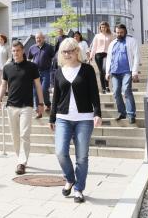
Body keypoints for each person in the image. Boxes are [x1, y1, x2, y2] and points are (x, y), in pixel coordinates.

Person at [49, 38, 102, 203]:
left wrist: (97, 113)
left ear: (77, 51)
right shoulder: (58, 72)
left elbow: (94, 92)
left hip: (84, 119)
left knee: (82, 157)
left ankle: (79, 189)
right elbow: (56, 97)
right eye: (64, 51)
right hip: (63, 118)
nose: (67, 54)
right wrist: (52, 117)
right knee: (60, 152)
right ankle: (70, 178)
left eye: (70, 50)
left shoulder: (87, 70)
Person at [0, 41, 44, 175]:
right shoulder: (7, 67)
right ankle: (19, 158)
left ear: (23, 51)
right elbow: (3, 85)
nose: (15, 53)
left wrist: (41, 103)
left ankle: (22, 162)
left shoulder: (31, 66)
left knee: (24, 134)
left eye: (18, 50)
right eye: (13, 51)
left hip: (27, 106)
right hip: (11, 106)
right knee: (15, 136)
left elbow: (38, 86)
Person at [105, 24, 140, 124]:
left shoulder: (132, 41)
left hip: (127, 71)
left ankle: (131, 114)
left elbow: (136, 56)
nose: (119, 34)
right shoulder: (112, 44)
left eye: (121, 32)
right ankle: (122, 113)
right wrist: (107, 72)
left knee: (126, 91)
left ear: (125, 32)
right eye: (117, 32)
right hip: (114, 72)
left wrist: (135, 71)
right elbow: (109, 59)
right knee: (116, 92)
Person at [28, 32, 55, 116]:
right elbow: (29, 59)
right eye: (36, 38)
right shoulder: (32, 48)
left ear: (43, 38)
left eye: (40, 38)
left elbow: (54, 58)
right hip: (35, 73)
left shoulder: (49, 47)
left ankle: (47, 104)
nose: (38, 39)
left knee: (43, 90)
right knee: (35, 91)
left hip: (46, 72)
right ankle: (38, 111)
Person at [89, 21, 114, 94]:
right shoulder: (97, 36)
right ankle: (103, 88)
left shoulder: (111, 35)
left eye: (104, 27)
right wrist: (91, 55)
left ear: (107, 27)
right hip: (98, 54)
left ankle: (107, 86)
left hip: (107, 54)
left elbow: (113, 45)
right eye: (102, 27)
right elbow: (94, 46)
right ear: (100, 28)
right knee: (101, 71)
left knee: (105, 70)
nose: (103, 28)